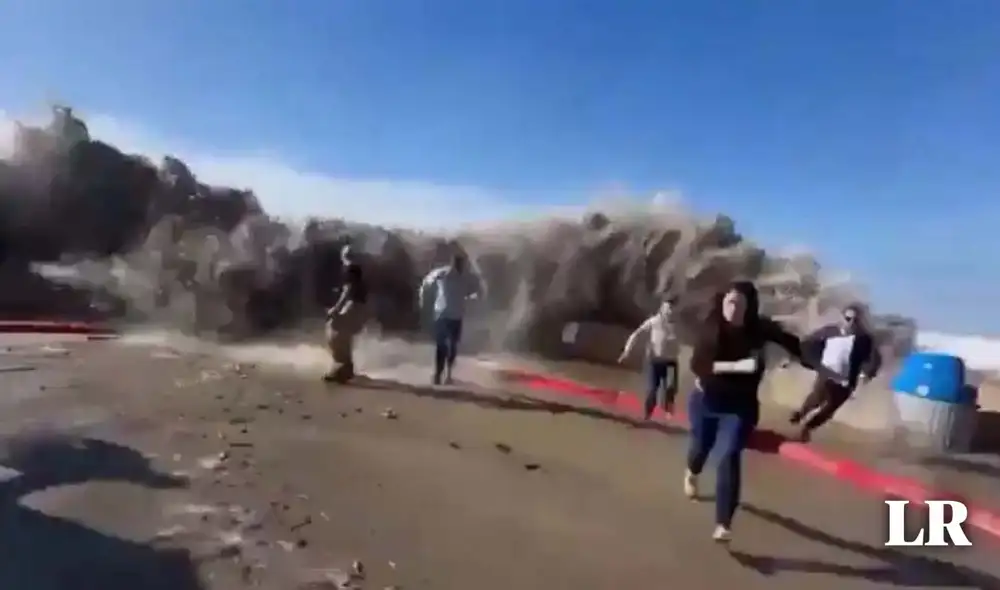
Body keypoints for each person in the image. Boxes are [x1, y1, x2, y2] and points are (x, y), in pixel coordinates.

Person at [685, 281, 840, 542]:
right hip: (707, 401)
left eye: (739, 305)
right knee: (700, 448)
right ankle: (692, 472)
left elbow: (793, 344)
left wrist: (819, 366)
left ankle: (724, 524)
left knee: (730, 455)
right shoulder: (712, 327)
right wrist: (738, 367)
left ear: (750, 308)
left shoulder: (759, 328)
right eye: (729, 302)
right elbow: (699, 365)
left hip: (740, 407)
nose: (733, 309)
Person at [789, 303, 882, 441]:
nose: (851, 323)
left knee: (830, 409)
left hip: (847, 380)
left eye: (855, 320)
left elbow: (873, 358)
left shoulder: (864, 340)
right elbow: (808, 344)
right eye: (848, 318)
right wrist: (803, 359)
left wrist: (867, 373)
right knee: (818, 398)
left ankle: (807, 428)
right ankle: (801, 413)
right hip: (828, 373)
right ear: (842, 318)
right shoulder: (829, 331)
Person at [418, 253, 484, 385]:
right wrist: (473, 298)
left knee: (444, 345)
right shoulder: (458, 277)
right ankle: (445, 375)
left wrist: (422, 300)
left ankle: (441, 374)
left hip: (445, 314)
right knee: (449, 345)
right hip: (451, 315)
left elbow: (425, 284)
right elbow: (476, 291)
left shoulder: (444, 274)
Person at [617, 297, 680, 420]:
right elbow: (637, 334)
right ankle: (647, 416)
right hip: (655, 361)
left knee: (671, 387)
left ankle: (668, 409)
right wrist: (627, 350)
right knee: (652, 390)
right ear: (661, 309)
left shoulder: (677, 324)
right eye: (667, 309)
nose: (670, 312)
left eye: (672, 309)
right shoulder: (654, 321)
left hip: (671, 362)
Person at [323, 244, 369, 383]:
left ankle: (343, 366)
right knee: (344, 335)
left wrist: (336, 308)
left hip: (353, 305)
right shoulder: (357, 270)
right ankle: (345, 368)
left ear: (343, 256)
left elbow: (348, 290)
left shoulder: (349, 268)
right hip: (360, 307)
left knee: (334, 328)